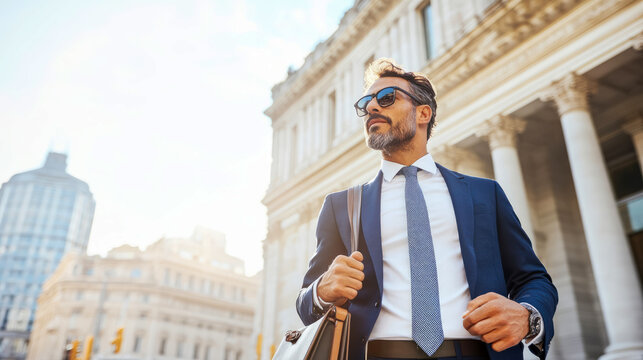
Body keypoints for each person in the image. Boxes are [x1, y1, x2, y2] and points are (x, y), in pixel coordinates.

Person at [295, 58, 558, 360]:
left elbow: (533, 279)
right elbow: (305, 304)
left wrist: (528, 317)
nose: (371, 108)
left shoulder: (485, 194)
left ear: (423, 113)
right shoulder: (341, 206)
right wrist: (321, 290)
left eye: (386, 98)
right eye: (365, 103)